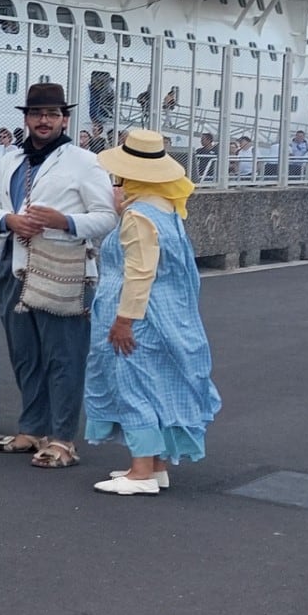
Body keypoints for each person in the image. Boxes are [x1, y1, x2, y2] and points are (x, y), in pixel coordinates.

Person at [0, 82, 118, 470]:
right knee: (25, 355)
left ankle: (62, 438)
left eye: (53, 115)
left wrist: (65, 221)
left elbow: (107, 217)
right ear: (26, 118)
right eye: (38, 114)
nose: (44, 121)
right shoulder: (9, 161)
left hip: (61, 270)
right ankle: (32, 427)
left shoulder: (84, 162)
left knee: (64, 357)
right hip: (14, 266)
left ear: (64, 119)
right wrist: (8, 220)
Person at [85, 129, 222, 496]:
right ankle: (155, 464)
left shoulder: (138, 217)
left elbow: (139, 272)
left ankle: (141, 470)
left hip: (139, 316)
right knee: (157, 383)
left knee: (133, 384)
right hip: (166, 313)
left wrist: (124, 320)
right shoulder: (165, 209)